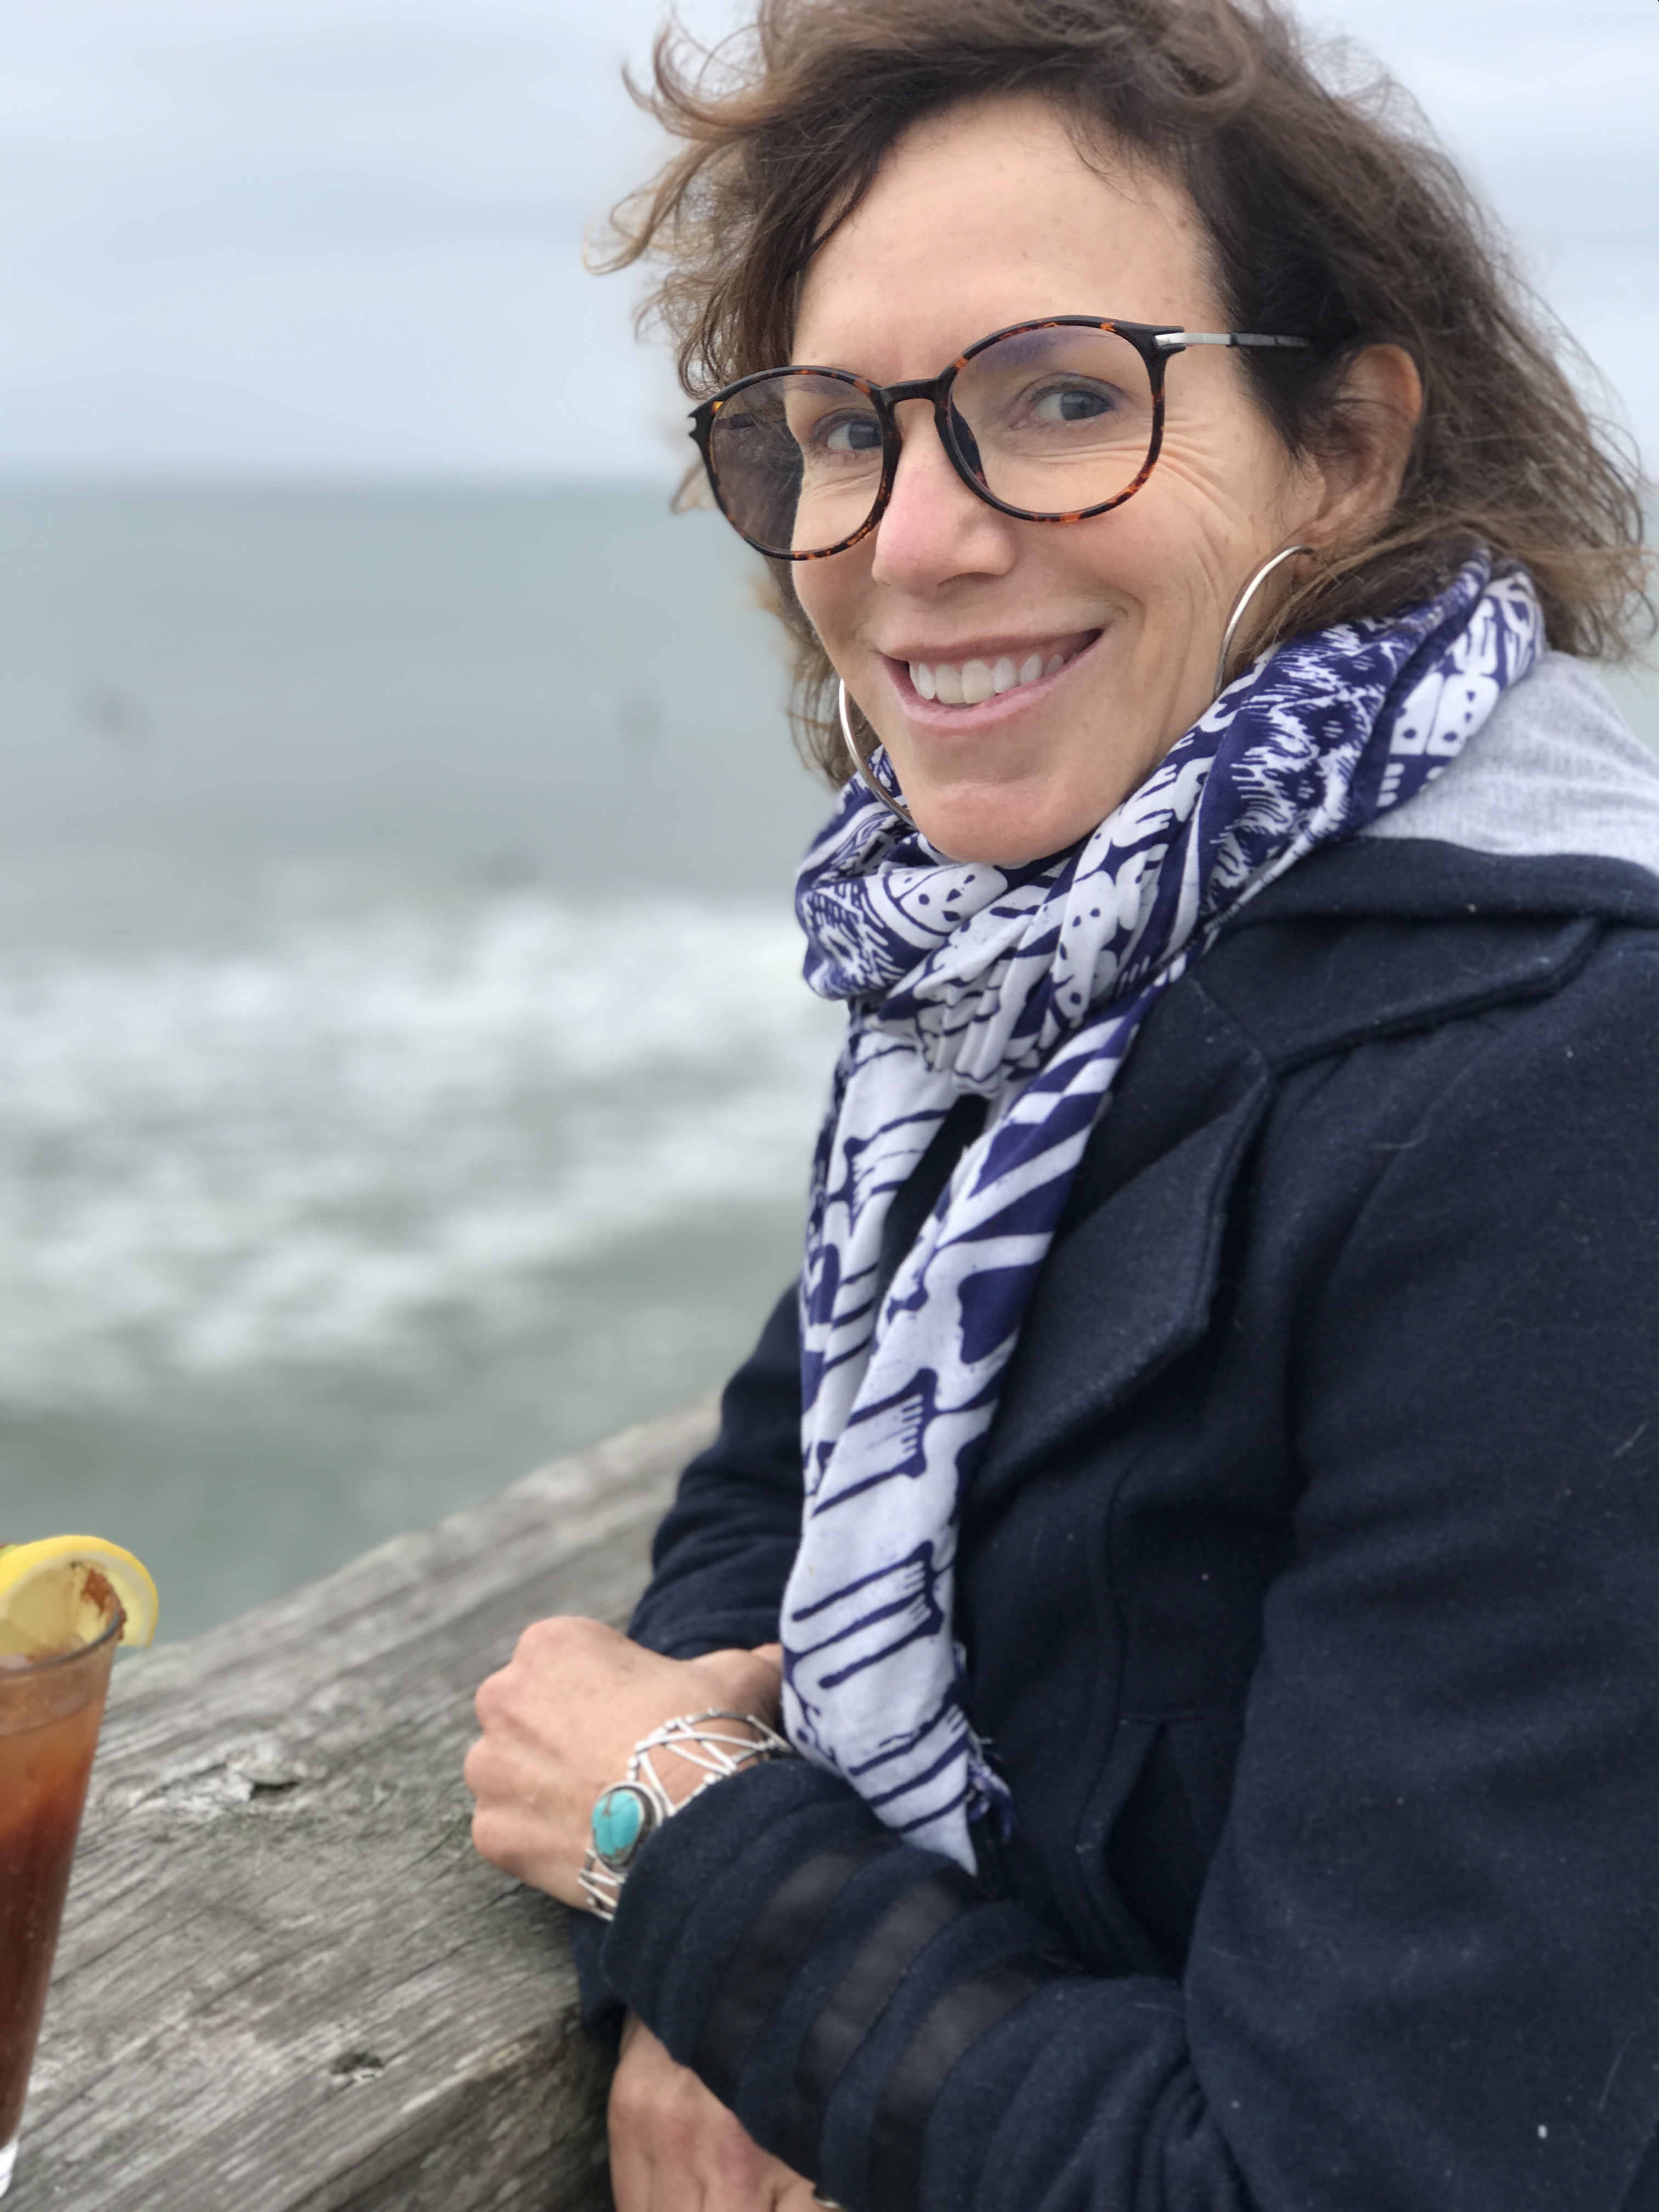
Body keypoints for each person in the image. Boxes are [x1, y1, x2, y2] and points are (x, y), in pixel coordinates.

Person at [464, 0, 1659, 2204]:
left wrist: (689, 1861)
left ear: (1353, 448)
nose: (911, 542)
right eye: (842, 432)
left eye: (1061, 403)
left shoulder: (1565, 1101)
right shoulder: (1023, 965)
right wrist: (730, 1979)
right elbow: (794, 1456)